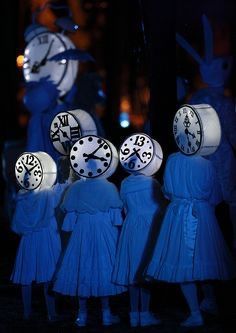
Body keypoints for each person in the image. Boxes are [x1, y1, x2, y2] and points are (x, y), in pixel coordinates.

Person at [144, 109, 236, 327]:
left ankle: (196, 311)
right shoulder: (207, 163)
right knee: (204, 260)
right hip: (203, 215)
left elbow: (166, 190)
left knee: (184, 263)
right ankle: (209, 301)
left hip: (178, 215)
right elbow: (216, 196)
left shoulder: (174, 160)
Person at [53, 136, 126, 327]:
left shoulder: (76, 188)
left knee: (82, 267)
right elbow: (116, 217)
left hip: (82, 232)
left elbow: (68, 216)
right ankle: (106, 313)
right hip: (103, 231)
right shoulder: (109, 187)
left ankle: (82, 314)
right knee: (103, 269)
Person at [112, 134, 165, 327]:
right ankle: (145, 312)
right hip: (149, 228)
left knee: (133, 270)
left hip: (131, 226)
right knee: (145, 270)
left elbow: (124, 207)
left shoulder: (125, 183)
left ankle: (134, 314)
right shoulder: (152, 183)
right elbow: (160, 207)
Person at [10, 154, 68, 321]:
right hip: (46, 237)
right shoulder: (48, 194)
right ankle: (52, 313)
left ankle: (27, 312)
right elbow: (60, 202)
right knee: (47, 273)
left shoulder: (22, 195)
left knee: (26, 275)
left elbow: (17, 223)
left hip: (28, 239)